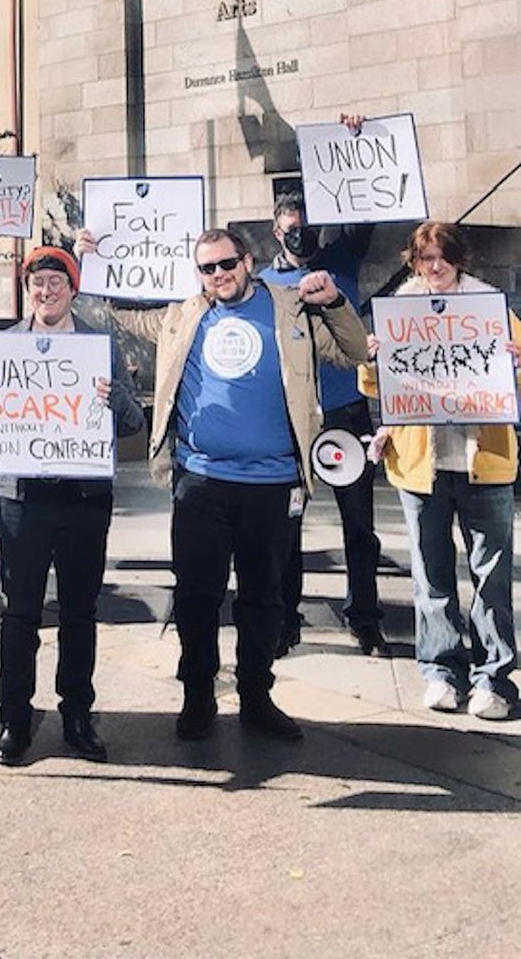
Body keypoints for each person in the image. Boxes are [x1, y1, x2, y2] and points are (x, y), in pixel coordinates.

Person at [78, 225, 369, 742]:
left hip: (274, 482)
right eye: (208, 268)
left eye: (226, 264)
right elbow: (115, 312)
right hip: (201, 482)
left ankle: (257, 696)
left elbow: (353, 352)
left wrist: (337, 301)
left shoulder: (292, 306)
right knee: (196, 596)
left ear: (248, 261)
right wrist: (93, 259)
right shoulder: (182, 315)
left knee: (263, 598)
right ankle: (197, 695)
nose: (219, 275)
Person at [0, 247, 144, 766]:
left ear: (72, 290)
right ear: (27, 289)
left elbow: (132, 423)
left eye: (57, 284)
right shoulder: (1, 350)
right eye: (38, 283)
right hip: (22, 500)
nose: (46, 292)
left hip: (83, 498)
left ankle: (77, 716)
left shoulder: (99, 347)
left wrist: (114, 400)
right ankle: (14, 719)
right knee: (19, 614)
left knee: (80, 612)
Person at [361, 221, 520, 720]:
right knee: (431, 577)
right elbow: (373, 388)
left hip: (486, 464)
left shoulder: (493, 311)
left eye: (442, 257)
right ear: (413, 262)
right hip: (418, 466)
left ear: (458, 260)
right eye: (425, 258)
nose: (434, 267)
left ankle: (493, 677)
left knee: (490, 576)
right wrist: (372, 361)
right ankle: (439, 670)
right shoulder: (399, 315)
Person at [259, 122, 385, 657]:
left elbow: (365, 209)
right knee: (288, 529)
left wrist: (354, 143)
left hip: (346, 412)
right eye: (292, 229)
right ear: (276, 230)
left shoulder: (342, 261)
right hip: (292, 420)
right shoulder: (262, 283)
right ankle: (287, 620)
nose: (301, 237)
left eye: (309, 229)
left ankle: (366, 617)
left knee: (360, 526)